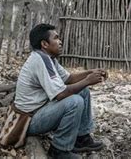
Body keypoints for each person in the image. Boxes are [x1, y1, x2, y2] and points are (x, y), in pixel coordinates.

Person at [14, 23, 107, 159]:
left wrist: (91, 72)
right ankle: (59, 150)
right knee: (75, 101)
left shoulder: (48, 58)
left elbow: (69, 78)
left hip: (39, 111)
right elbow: (60, 94)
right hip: (28, 120)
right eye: (56, 38)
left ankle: (81, 139)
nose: (60, 41)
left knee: (83, 91)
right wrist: (88, 80)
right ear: (44, 44)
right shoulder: (41, 60)